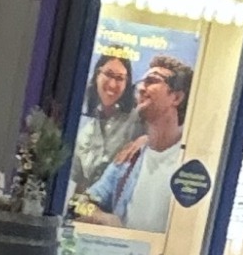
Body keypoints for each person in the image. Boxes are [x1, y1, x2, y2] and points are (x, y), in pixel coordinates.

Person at [77, 55, 193, 231]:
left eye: (151, 81)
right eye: (141, 82)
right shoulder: (129, 160)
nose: (140, 88)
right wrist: (102, 217)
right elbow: (78, 205)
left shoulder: (190, 162)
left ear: (176, 98)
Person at [68, 54, 141, 197]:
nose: (112, 84)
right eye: (108, 74)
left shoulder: (138, 121)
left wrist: (144, 140)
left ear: (127, 84)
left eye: (120, 78)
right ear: (96, 76)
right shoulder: (83, 128)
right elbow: (76, 181)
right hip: (88, 210)